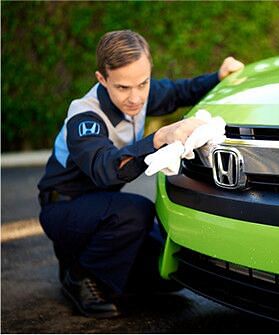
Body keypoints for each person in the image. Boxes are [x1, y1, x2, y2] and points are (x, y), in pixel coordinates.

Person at [37, 29, 244, 318]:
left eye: (143, 83)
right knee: (136, 211)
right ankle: (79, 275)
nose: (135, 98)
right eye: (122, 87)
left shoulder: (139, 91)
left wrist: (219, 76)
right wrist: (159, 137)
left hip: (103, 208)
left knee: (166, 273)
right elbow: (106, 170)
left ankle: (101, 263)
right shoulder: (84, 117)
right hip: (65, 209)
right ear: (102, 79)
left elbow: (180, 91)